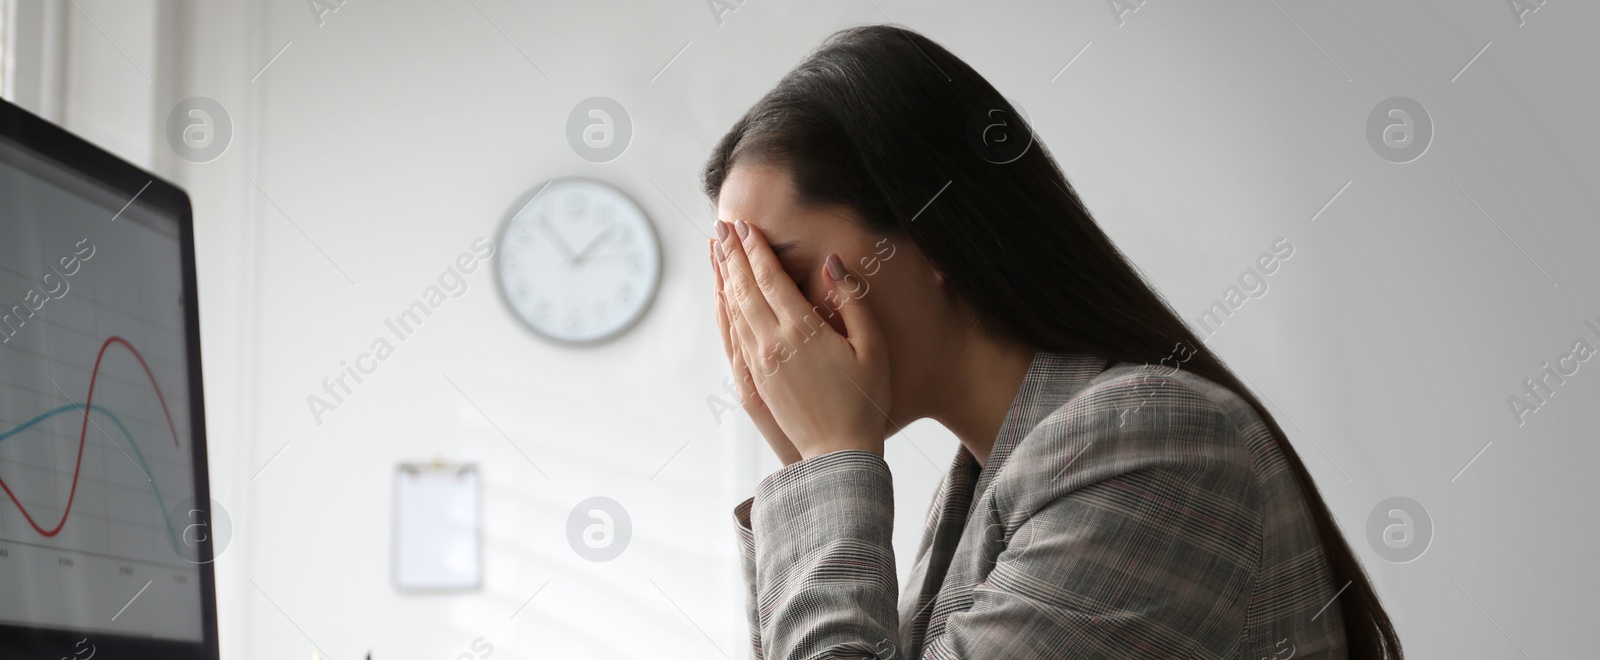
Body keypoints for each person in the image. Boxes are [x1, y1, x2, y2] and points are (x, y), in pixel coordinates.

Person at [703, 24, 1401, 660]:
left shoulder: (1151, 444)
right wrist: (805, 468)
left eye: (781, 276)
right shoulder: (987, 489)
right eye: (741, 291)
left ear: (931, 231)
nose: (769, 331)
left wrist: (829, 460)